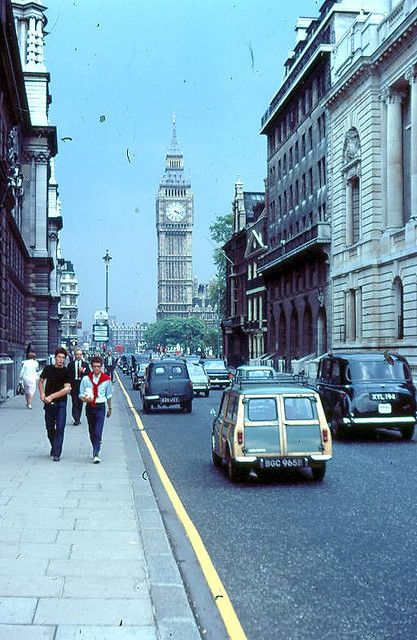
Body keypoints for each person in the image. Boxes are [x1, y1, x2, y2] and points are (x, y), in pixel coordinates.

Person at [38, 347, 71, 462]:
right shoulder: (48, 368)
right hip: (48, 403)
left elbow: (66, 389)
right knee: (50, 427)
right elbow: (41, 381)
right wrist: (42, 393)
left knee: (60, 427)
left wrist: (52, 396)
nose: (61, 360)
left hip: (61, 402)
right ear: (55, 358)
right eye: (59, 357)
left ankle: (57, 453)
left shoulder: (67, 371)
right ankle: (54, 445)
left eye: (63, 358)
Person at [79, 355, 112, 463]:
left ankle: (96, 452)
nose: (96, 369)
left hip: (100, 406)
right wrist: (84, 398)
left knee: (98, 430)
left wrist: (110, 408)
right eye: (94, 366)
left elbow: (109, 395)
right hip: (89, 406)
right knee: (92, 430)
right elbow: (80, 394)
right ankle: (96, 444)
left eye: (98, 366)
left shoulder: (106, 380)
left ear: (101, 366)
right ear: (91, 367)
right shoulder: (85, 379)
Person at [67, 348, 90, 425]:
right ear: (75, 355)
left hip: (82, 385)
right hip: (74, 384)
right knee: (74, 402)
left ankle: (78, 418)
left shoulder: (85, 364)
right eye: (77, 354)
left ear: (82, 355)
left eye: (80, 354)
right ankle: (76, 418)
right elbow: (68, 375)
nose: (79, 356)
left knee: (80, 403)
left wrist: (84, 372)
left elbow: (89, 375)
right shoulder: (71, 364)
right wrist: (68, 386)